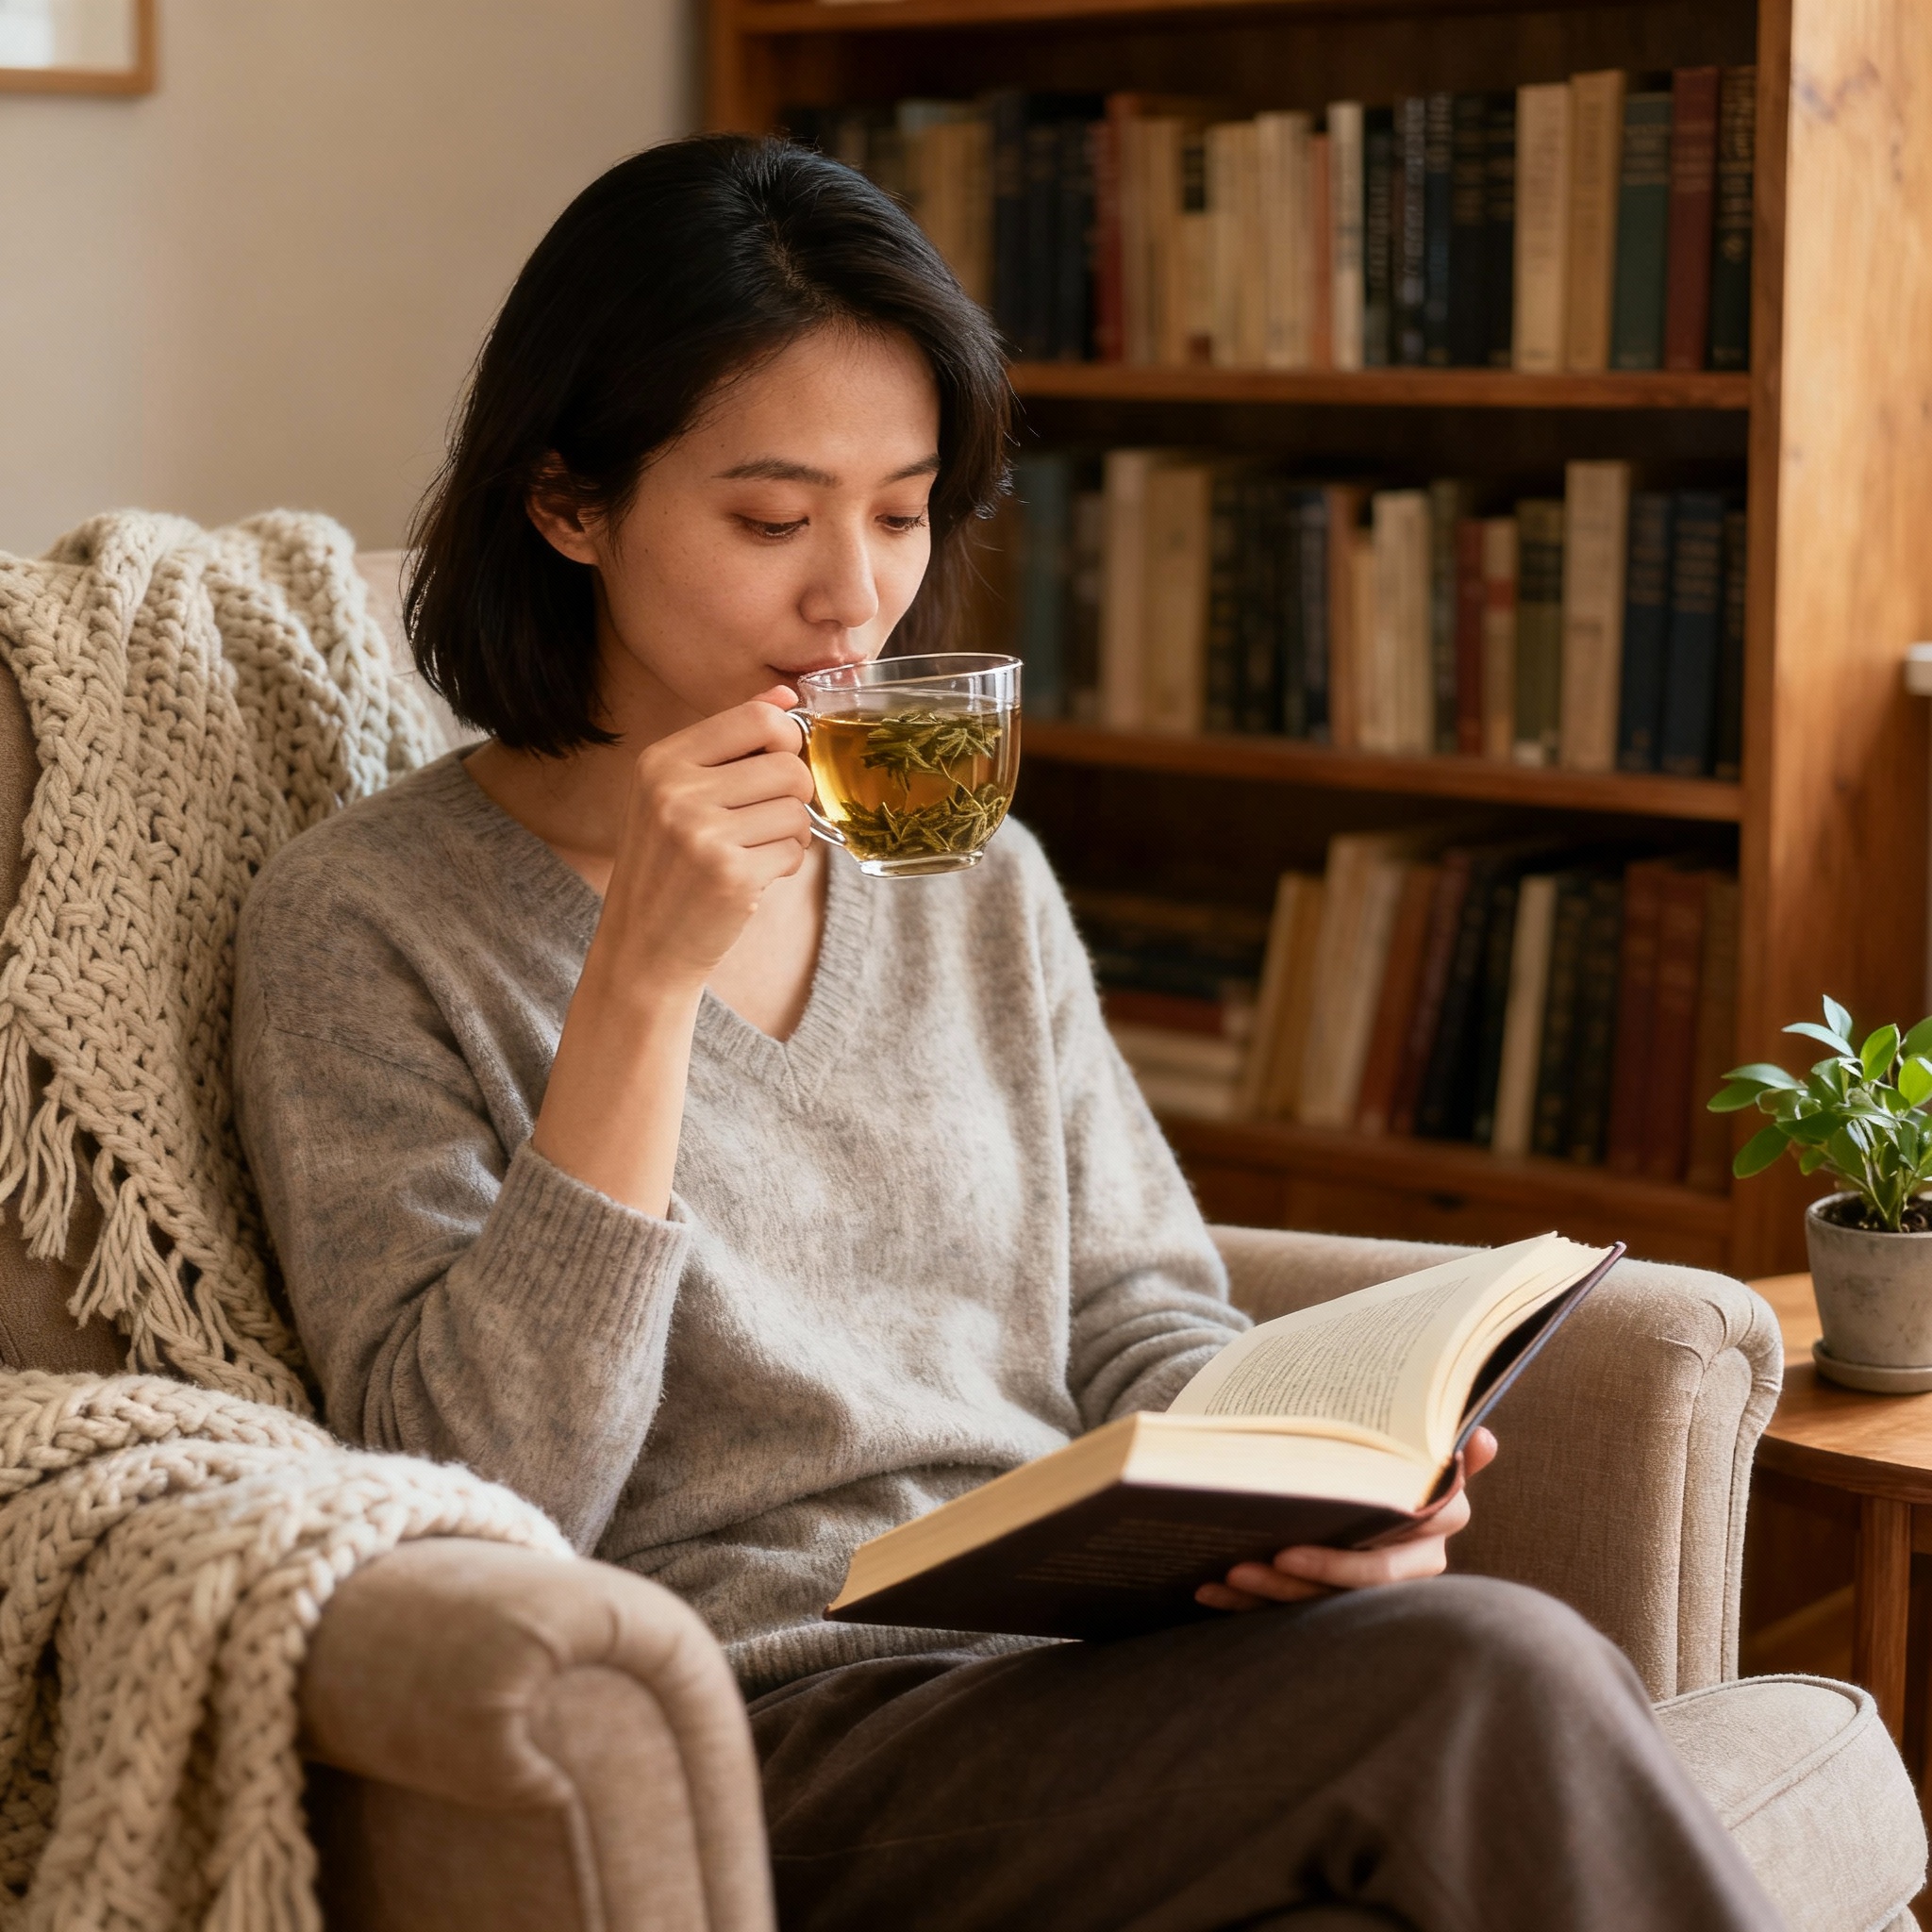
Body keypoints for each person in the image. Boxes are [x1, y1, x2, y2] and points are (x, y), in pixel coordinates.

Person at [232, 134, 1776, 1931]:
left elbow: (1134, 1305)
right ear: (570, 505)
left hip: (1075, 1657)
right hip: (752, 1725)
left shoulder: (965, 870)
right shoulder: (364, 924)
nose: (855, 600)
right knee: (1493, 1672)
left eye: (902, 513)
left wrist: (1295, 1490)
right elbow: (480, 1492)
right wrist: (636, 991)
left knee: (1442, 1662)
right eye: (770, 518)